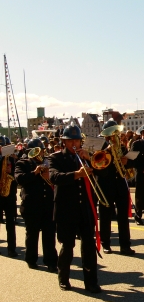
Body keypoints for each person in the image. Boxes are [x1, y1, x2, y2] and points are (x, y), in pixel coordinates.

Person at [49, 125, 101, 293]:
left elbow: (101, 172)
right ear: (64, 142)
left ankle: (91, 282)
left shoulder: (85, 156)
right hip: (66, 209)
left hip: (84, 208)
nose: (74, 144)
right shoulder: (55, 158)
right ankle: (63, 278)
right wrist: (76, 174)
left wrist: (90, 159)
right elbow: (54, 177)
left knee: (89, 246)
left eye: (77, 141)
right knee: (67, 246)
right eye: (70, 141)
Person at [14, 138, 57, 271]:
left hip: (47, 204)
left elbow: (56, 179)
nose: (40, 154)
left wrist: (49, 175)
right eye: (37, 151)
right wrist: (34, 173)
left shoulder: (48, 162)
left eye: (42, 151)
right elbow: (19, 179)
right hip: (31, 205)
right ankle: (31, 259)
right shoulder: (22, 163)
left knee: (49, 235)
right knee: (32, 235)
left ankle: (51, 261)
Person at [94, 119, 135, 255]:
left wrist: (126, 161)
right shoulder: (100, 147)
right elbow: (98, 167)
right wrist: (107, 152)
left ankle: (125, 245)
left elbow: (130, 164)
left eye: (116, 133)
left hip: (120, 184)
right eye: (112, 134)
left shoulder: (121, 147)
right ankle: (105, 243)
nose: (114, 136)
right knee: (105, 216)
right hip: (105, 184)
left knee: (123, 217)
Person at [0, 136, 18, 258]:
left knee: (11, 223)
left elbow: (17, 176)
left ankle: (11, 249)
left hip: (9, 194)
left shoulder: (12, 159)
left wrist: (10, 172)